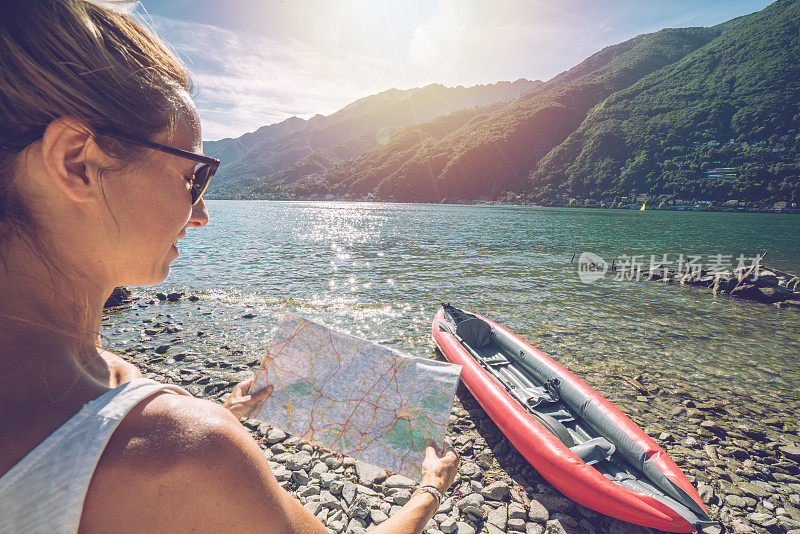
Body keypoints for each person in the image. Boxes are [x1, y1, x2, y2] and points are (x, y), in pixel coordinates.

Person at [0, 1, 459, 532]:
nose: (201, 215)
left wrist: (221, 414)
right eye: (194, 176)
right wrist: (429, 490)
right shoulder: (189, 456)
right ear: (77, 160)